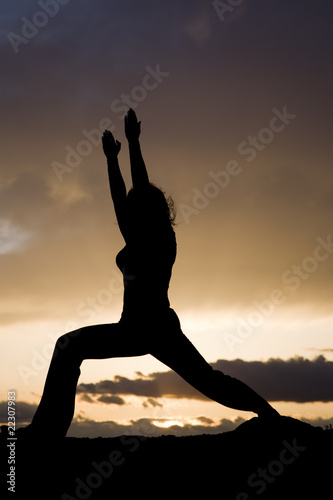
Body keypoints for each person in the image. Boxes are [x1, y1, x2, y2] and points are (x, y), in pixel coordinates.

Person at [23, 109, 279, 438]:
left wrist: (132, 144)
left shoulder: (158, 240)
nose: (127, 211)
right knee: (69, 347)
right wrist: (113, 159)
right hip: (136, 328)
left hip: (153, 327)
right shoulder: (140, 235)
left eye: (136, 206)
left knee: (211, 382)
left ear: (150, 211)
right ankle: (46, 432)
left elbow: (135, 191)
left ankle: (272, 418)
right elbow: (123, 200)